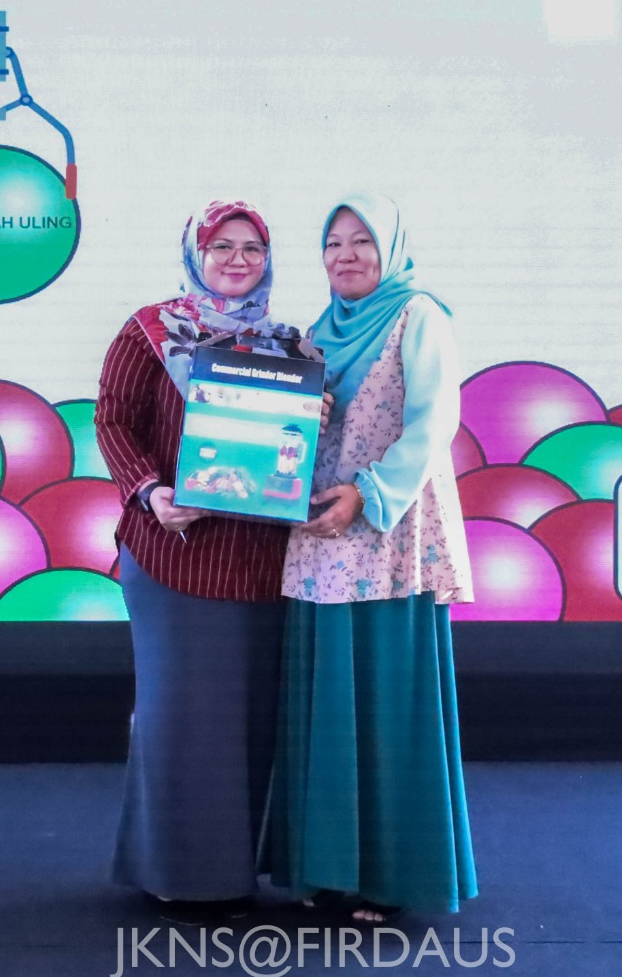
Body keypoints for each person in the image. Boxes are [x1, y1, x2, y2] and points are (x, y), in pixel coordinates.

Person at [264, 192, 477, 924]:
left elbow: (433, 423)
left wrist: (368, 494)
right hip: (320, 536)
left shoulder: (420, 316)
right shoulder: (314, 333)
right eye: (333, 243)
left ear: (392, 249)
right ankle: (326, 871)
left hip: (388, 534)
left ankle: (390, 877)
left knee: (387, 703)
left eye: (362, 241)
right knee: (325, 702)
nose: (346, 255)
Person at [96, 199, 308, 921]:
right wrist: (149, 491)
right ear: (196, 253)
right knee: (181, 718)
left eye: (252, 248)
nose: (238, 260)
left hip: (261, 562)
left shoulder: (288, 345)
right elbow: (112, 419)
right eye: (223, 246)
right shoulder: (151, 331)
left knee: (249, 720)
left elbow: (299, 445)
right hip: (173, 556)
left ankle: (233, 872)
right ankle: (177, 874)